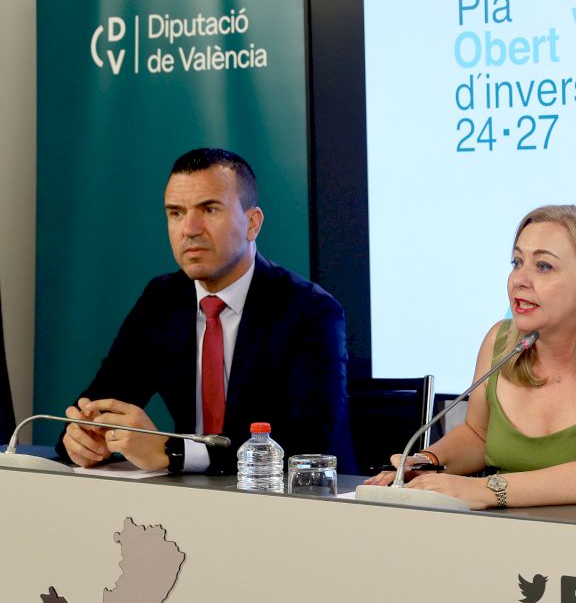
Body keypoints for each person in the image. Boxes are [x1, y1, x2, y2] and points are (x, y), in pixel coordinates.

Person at [57, 148, 354, 474]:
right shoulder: (162, 299)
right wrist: (82, 437)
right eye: (176, 213)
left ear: (252, 223)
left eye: (209, 209)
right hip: (188, 497)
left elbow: (310, 445)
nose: (190, 229)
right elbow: (100, 401)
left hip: (284, 499)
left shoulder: (310, 311)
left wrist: (173, 451)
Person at [366, 204, 576, 508]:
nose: (519, 280)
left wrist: (486, 490)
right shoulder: (500, 342)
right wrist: (427, 462)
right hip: (507, 533)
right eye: (517, 262)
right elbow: (478, 436)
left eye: (543, 266)